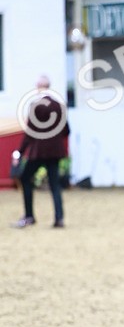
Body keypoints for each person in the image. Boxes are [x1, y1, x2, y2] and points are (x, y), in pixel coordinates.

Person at [11, 76, 69, 229]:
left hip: (38, 151)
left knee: (25, 178)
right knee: (55, 184)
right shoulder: (60, 106)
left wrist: (19, 152)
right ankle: (59, 218)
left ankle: (29, 216)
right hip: (55, 151)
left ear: (38, 87)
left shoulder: (35, 106)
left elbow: (30, 133)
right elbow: (66, 131)